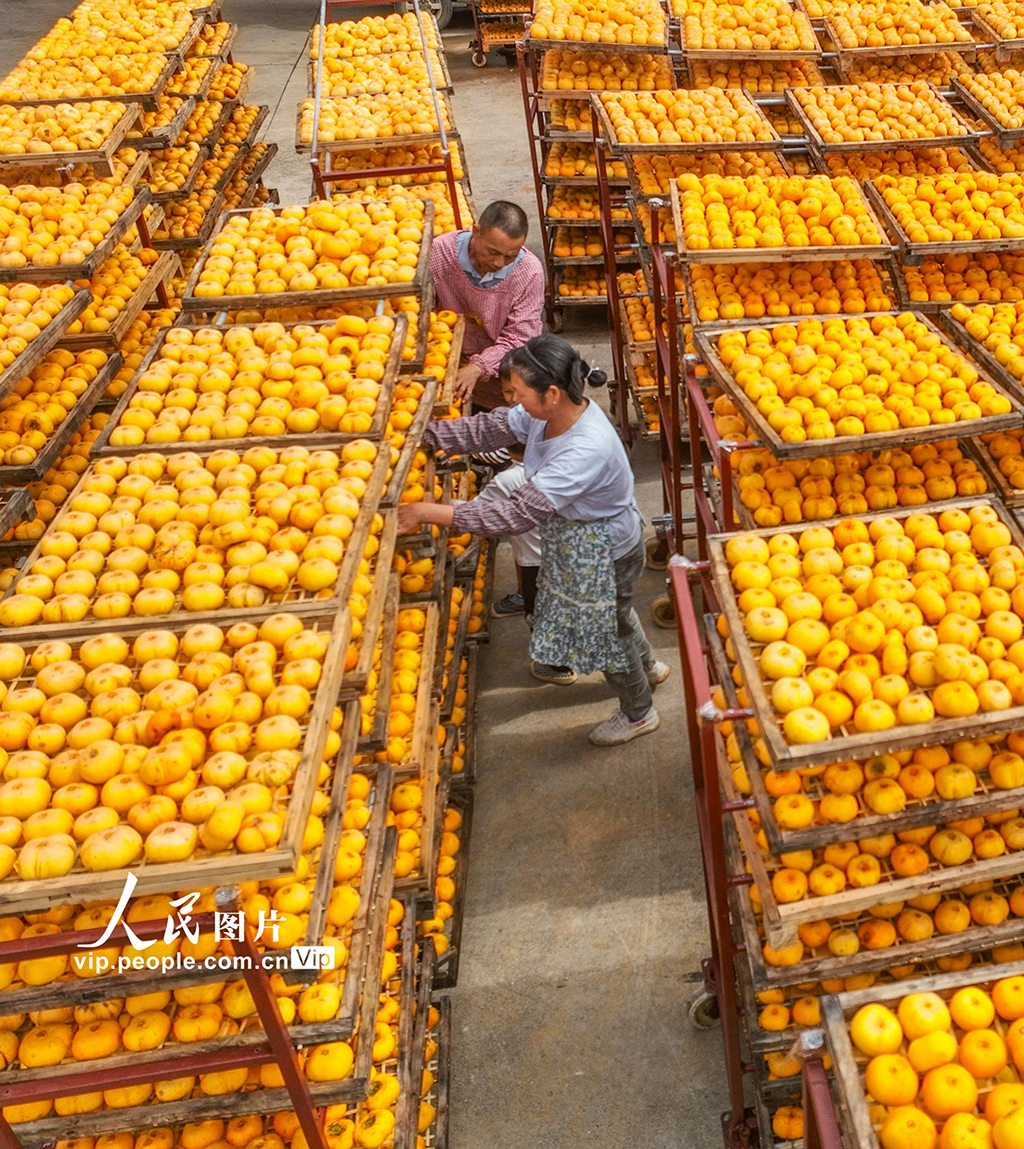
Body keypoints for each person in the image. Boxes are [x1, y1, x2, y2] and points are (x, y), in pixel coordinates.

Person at [397, 334, 669, 746]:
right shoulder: (551, 412)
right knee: (616, 611)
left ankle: (638, 712)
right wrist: (424, 436)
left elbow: (512, 514)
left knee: (604, 634)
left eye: (516, 393)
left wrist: (424, 512)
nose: (511, 401)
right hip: (584, 537)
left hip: (600, 548)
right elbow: (493, 428)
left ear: (552, 392)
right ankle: (647, 666)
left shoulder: (583, 448)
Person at [429, 200, 544, 410]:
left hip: (505, 376)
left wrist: (478, 366)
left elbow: (520, 336)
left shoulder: (529, 272)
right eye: (493, 252)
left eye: (510, 256)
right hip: (444, 367)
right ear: (476, 232)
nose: (499, 263)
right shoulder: (440, 253)